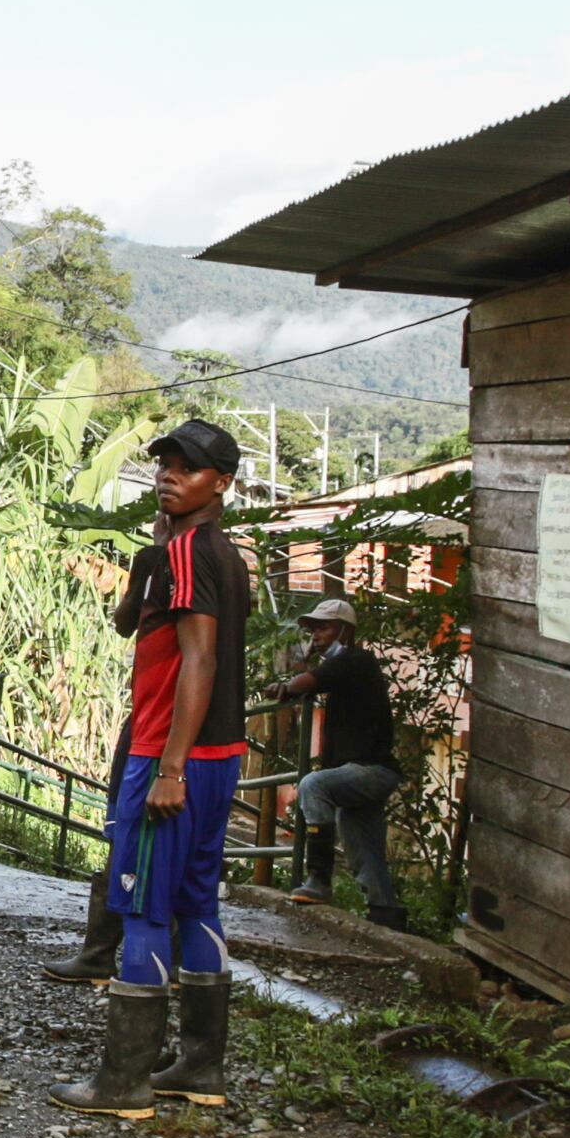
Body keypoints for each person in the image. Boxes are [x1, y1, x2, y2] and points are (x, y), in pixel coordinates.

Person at [81, 417, 251, 1103]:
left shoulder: (186, 554)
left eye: (188, 468)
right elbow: (142, 625)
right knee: (197, 904)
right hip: (221, 756)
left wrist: (170, 767)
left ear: (221, 483)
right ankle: (200, 1067)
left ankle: (124, 1080)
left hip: (169, 755)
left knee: (145, 909)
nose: (169, 476)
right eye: (164, 464)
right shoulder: (224, 555)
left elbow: (199, 659)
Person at [271, 594, 403, 919]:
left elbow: (304, 682)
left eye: (324, 628)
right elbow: (312, 678)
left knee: (313, 785)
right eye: (313, 629)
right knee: (364, 851)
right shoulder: (343, 668)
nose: (315, 635)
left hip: (371, 770)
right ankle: (386, 915)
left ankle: (318, 880)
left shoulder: (356, 660)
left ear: (345, 630)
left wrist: (287, 686)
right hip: (361, 771)